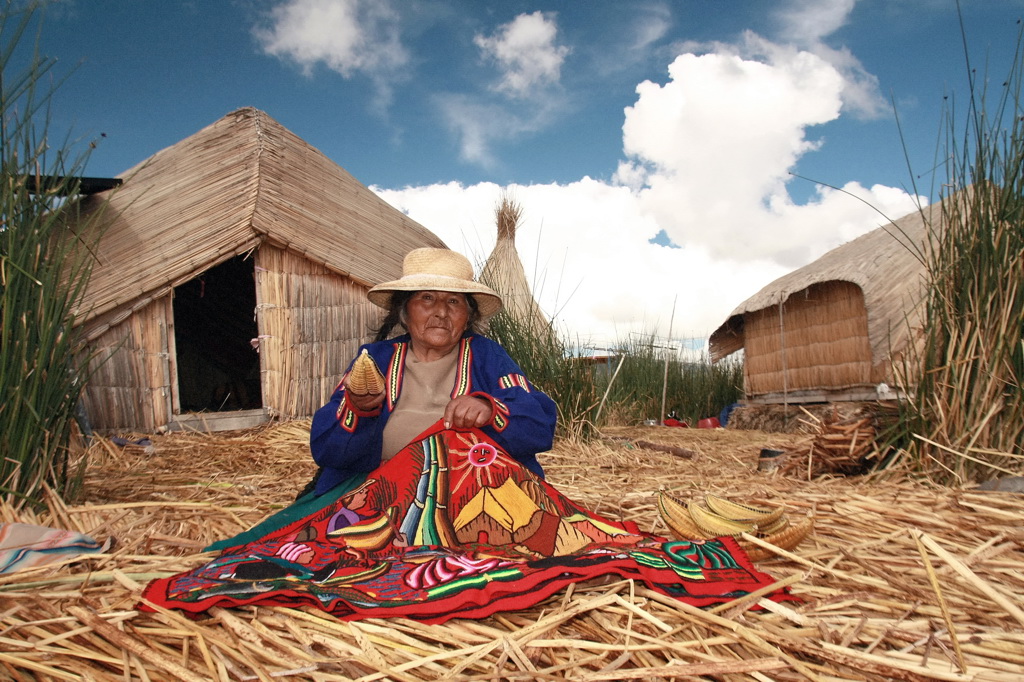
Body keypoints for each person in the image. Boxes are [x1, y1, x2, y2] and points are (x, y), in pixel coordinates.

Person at [306, 247, 558, 497]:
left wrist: (490, 409)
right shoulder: (374, 359)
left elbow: (538, 426)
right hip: (377, 490)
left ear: (467, 316)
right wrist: (358, 408)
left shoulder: (487, 356)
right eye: (427, 298)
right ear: (404, 311)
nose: (441, 311)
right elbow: (326, 449)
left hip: (470, 492)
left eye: (453, 301)